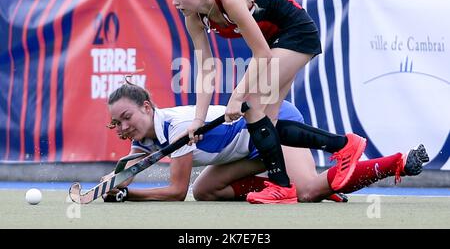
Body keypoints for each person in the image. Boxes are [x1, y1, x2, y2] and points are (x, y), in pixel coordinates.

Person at [167, 0, 367, 203]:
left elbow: (261, 53)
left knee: (251, 105)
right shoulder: (193, 18)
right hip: (275, 42)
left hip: (296, 33)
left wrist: (237, 96)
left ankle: (300, 174)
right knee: (267, 123)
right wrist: (198, 120)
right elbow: (207, 69)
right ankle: (324, 159)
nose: (174, 2)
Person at [102, 83, 429, 203]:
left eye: (127, 117)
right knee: (205, 191)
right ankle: (277, 179)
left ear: (147, 107)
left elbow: (175, 192)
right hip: (249, 149)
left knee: (307, 192)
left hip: (270, 123)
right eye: (117, 123)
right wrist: (113, 182)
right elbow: (128, 168)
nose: (124, 126)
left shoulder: (178, 128)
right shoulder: (144, 137)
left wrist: (128, 194)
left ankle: (397, 163)